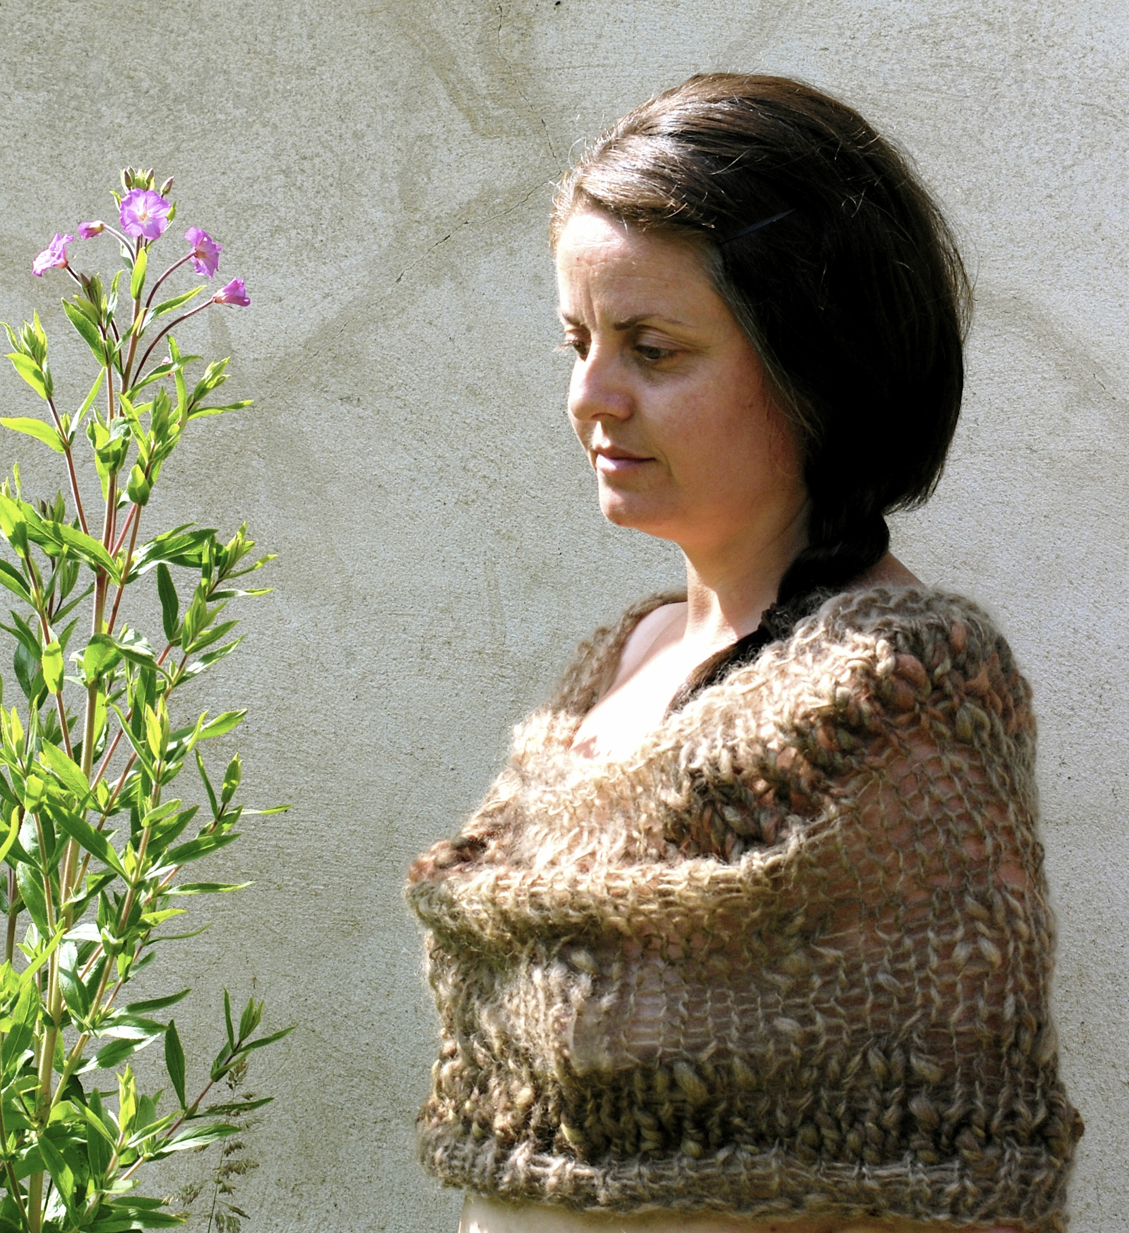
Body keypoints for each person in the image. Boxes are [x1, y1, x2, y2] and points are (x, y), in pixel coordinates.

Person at [406, 74, 1081, 1233]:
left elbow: (956, 1165)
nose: (589, 395)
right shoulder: (613, 664)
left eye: (652, 349)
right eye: (578, 340)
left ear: (817, 367)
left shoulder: (902, 694)